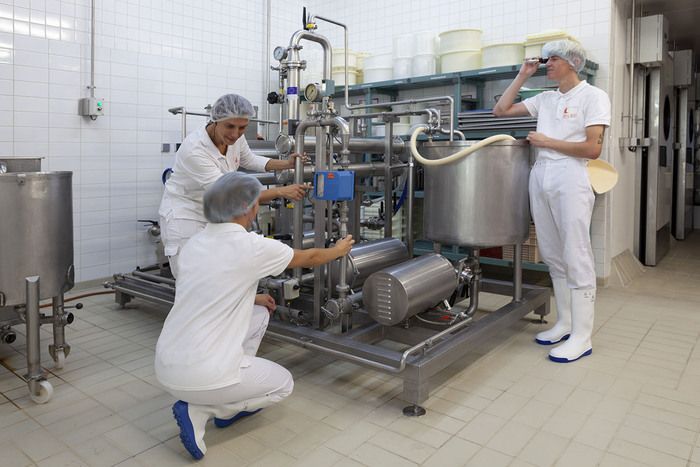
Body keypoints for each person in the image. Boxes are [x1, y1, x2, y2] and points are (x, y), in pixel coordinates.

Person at [154, 172, 354, 460]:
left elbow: (211, 285)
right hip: (202, 373)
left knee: (259, 311)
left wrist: (253, 296)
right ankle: (210, 408)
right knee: (283, 385)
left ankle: (223, 391)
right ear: (250, 208)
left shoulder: (194, 244)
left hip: (167, 362)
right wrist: (338, 250)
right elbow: (308, 258)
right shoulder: (251, 246)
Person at [493, 40, 611, 363]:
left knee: (576, 253)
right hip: (541, 175)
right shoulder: (545, 99)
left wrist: (548, 141)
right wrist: (522, 74)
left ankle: (582, 336)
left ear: (573, 62)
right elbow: (500, 110)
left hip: (572, 177)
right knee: (553, 253)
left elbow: (592, 149)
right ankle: (566, 323)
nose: (547, 64)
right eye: (545, 60)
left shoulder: (593, 97)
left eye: (553, 59)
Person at [158, 93, 309, 277]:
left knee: (215, 274)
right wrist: (281, 192)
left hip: (212, 215)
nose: (235, 134)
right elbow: (228, 194)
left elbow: (250, 159)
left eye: (242, 128)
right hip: (186, 217)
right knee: (191, 279)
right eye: (230, 126)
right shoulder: (194, 150)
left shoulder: (235, 139)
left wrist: (286, 163)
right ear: (215, 120)